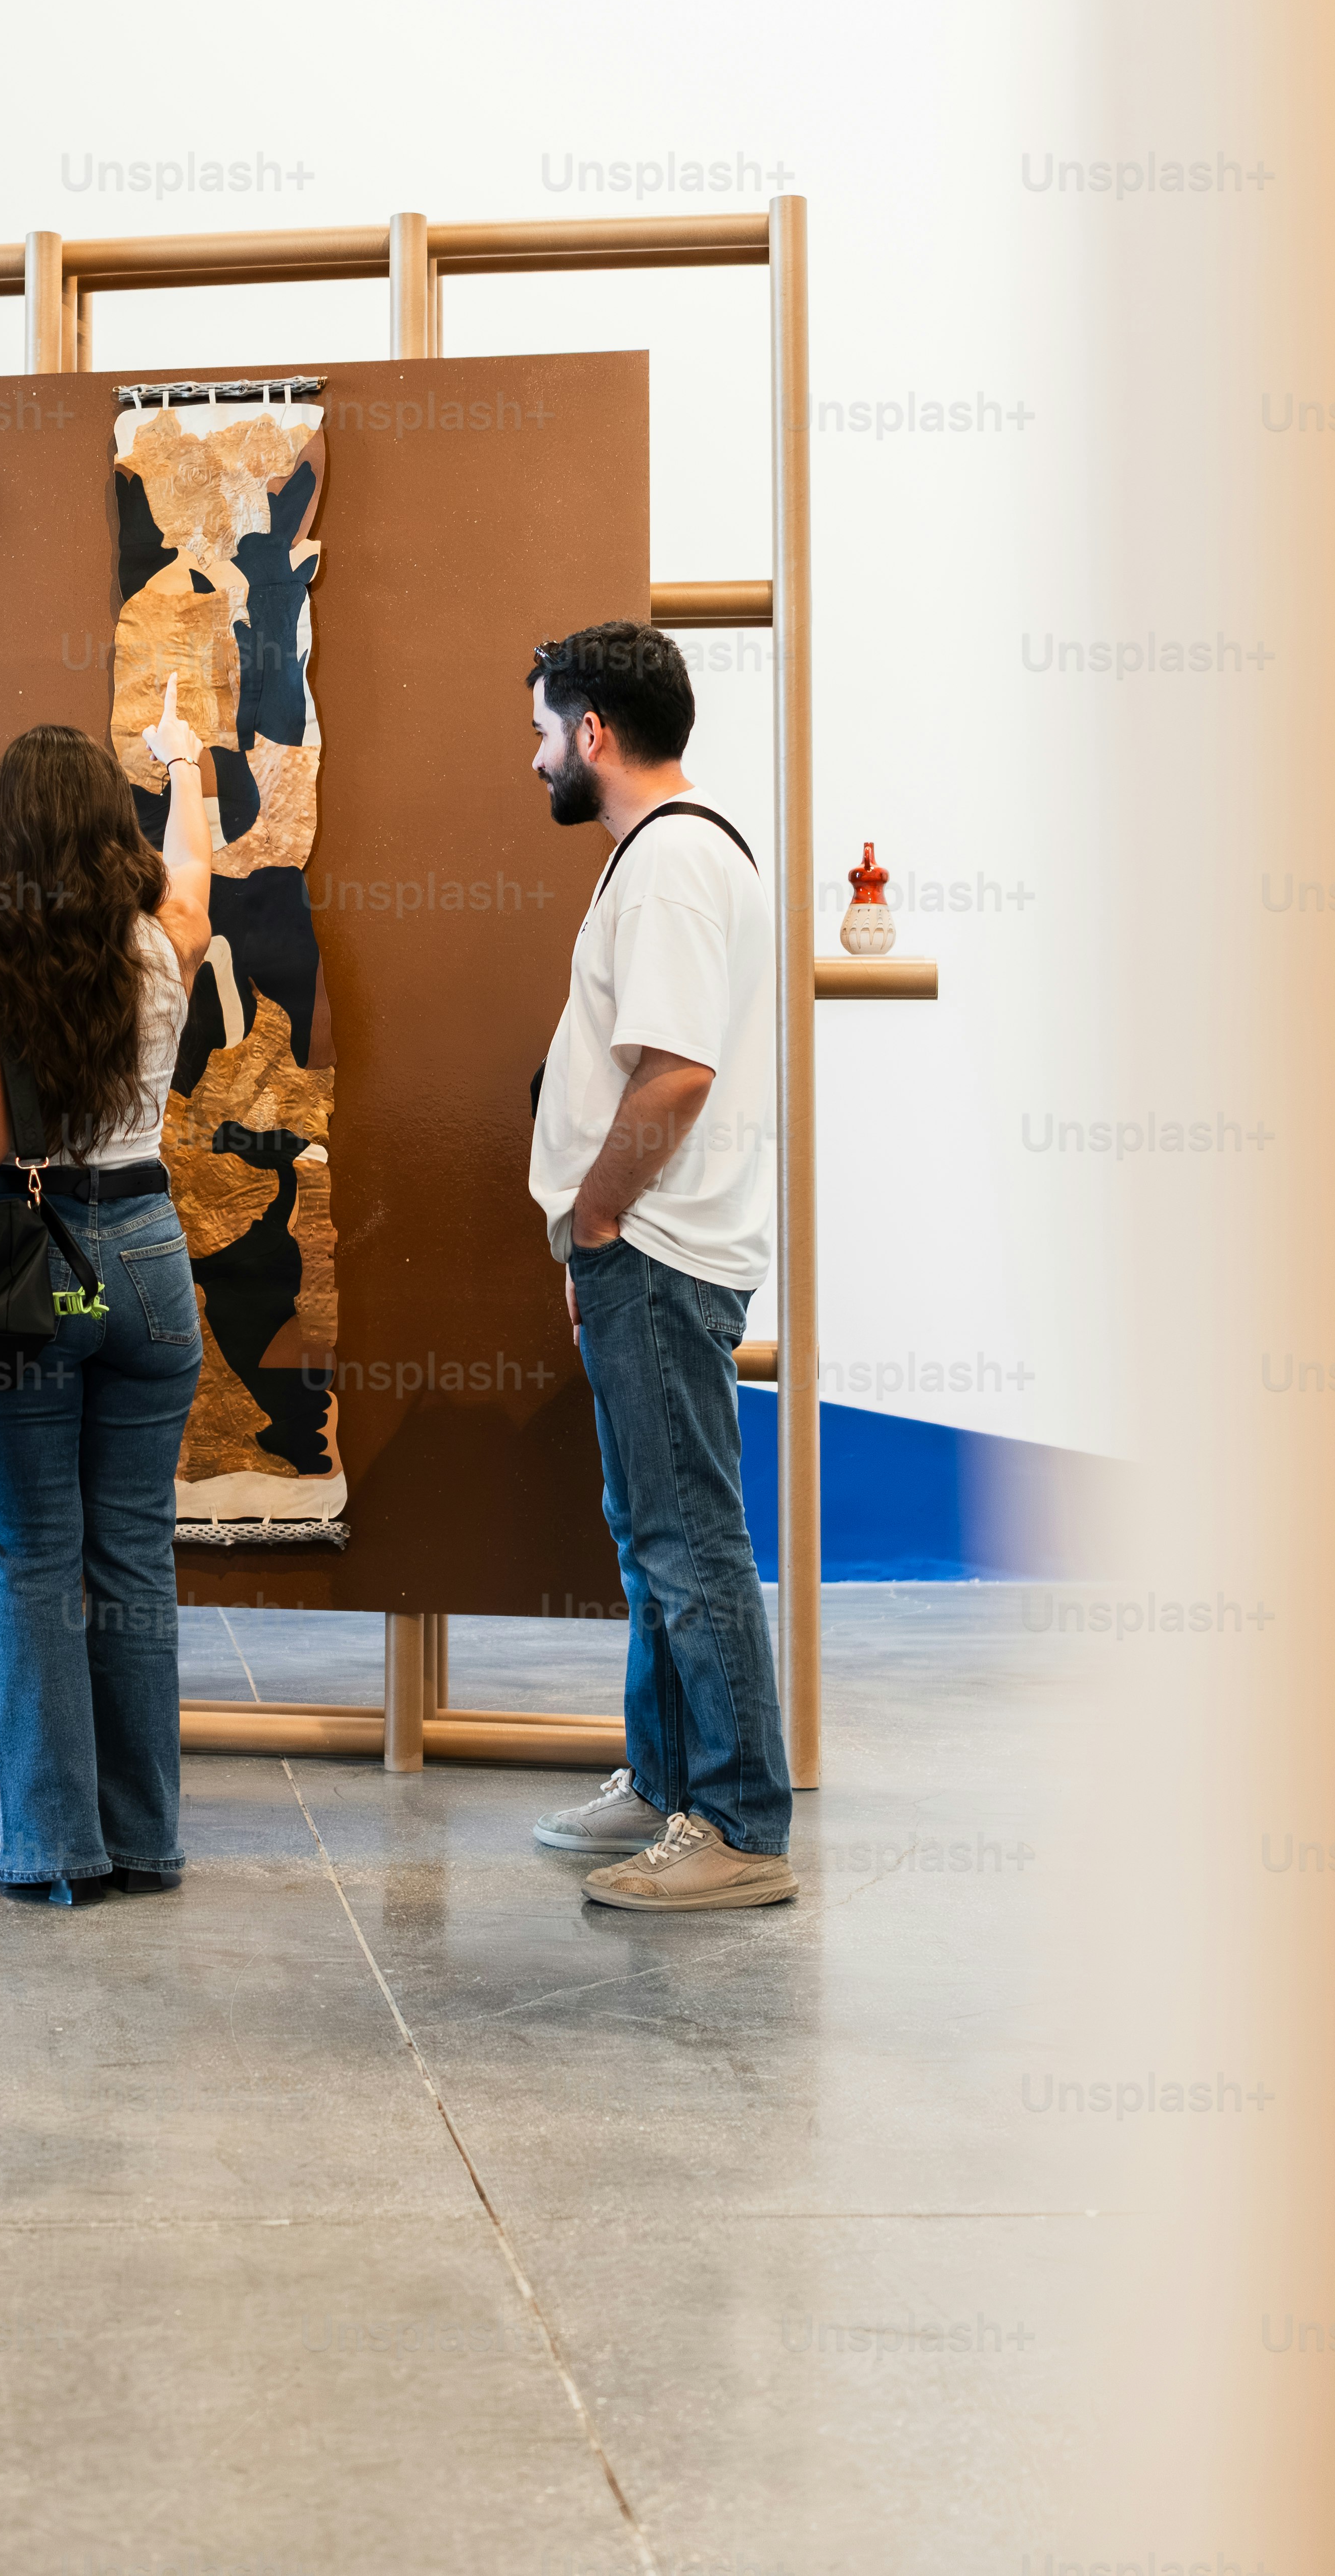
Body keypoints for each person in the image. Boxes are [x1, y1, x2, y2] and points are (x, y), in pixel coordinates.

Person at [0, 714, 214, 1904]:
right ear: (109, 826)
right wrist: (188, 763)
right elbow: (198, 873)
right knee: (134, 1562)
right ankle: (144, 1842)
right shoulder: (166, 940)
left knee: (34, 1562)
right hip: (148, 1258)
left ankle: (51, 1847)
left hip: (33, 1266)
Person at [518, 619, 797, 1911]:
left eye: (542, 732)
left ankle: (736, 1824)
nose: (536, 762)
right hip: (648, 1248)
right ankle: (667, 1778)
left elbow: (676, 1071)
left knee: (688, 1543)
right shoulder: (664, 859)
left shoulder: (674, 865)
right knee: (654, 1536)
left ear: (593, 733)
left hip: (658, 1247)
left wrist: (594, 1221)